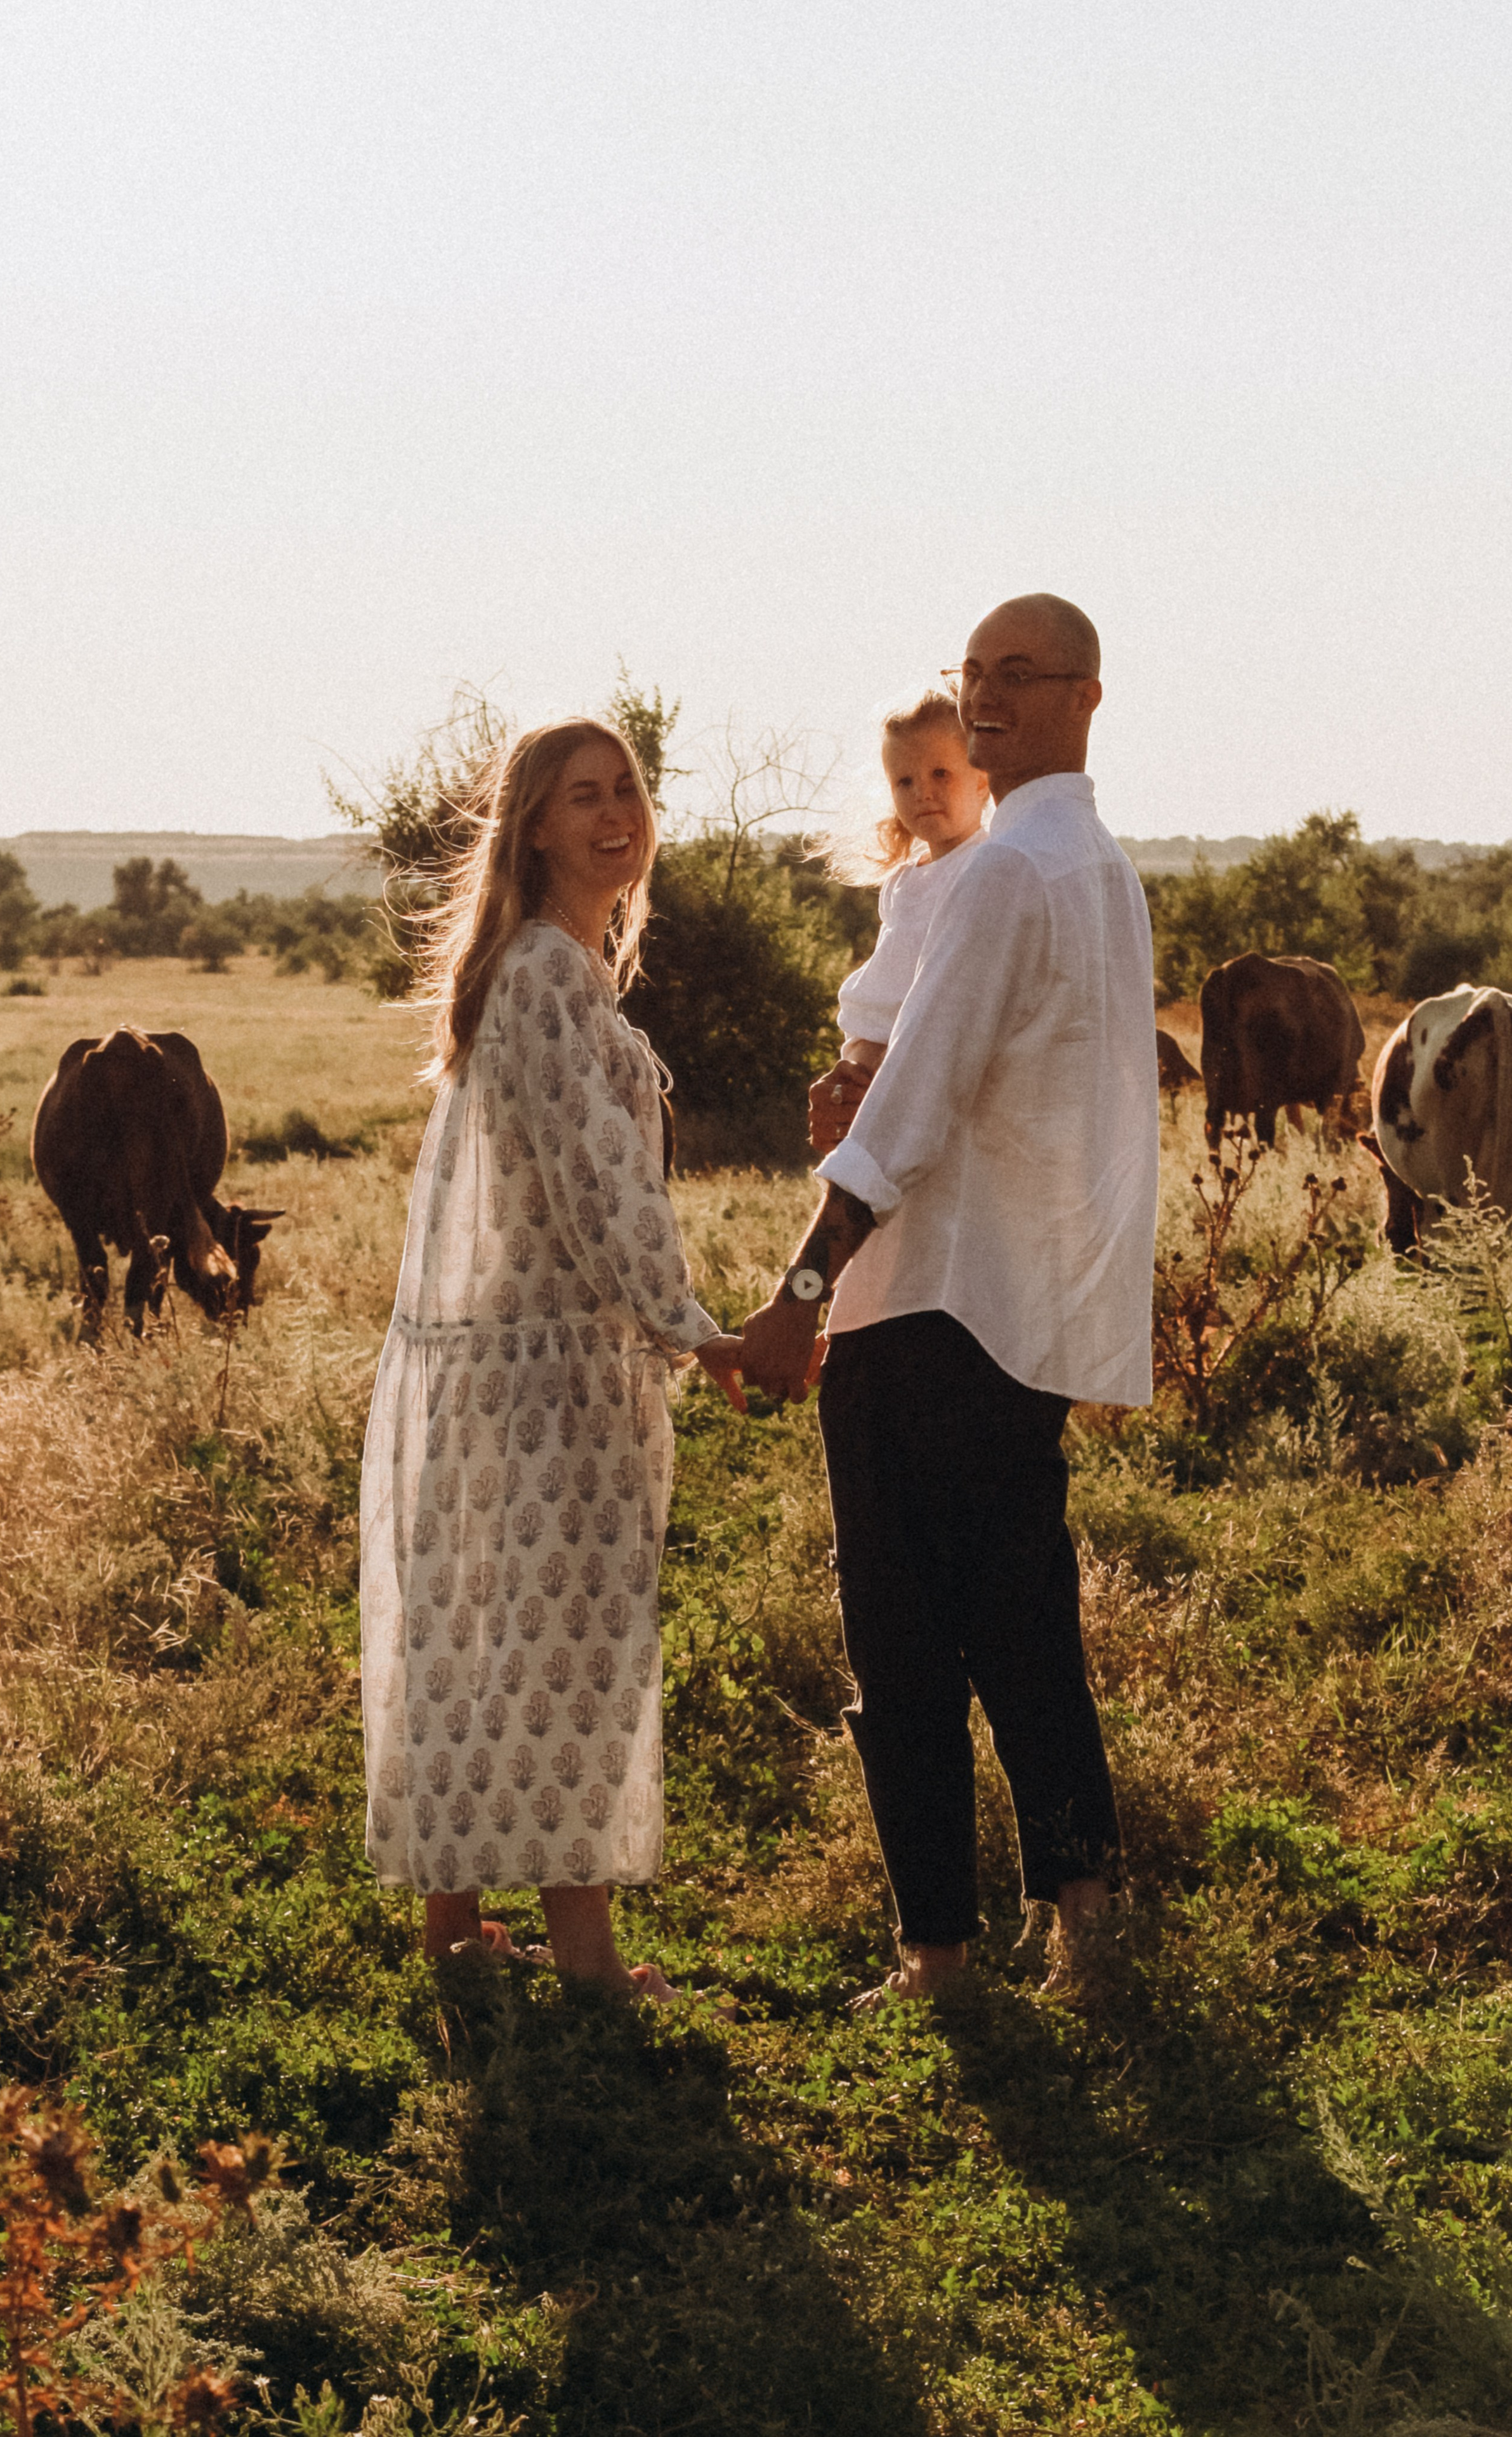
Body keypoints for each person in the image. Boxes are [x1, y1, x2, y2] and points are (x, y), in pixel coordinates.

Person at [740, 594, 1158, 2004]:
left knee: (904, 1633)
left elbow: (906, 1114)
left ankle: (938, 1952)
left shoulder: (1000, 878)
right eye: (968, 673)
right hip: (1025, 1309)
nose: (982, 698)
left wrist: (802, 1293)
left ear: (1083, 696)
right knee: (1023, 1613)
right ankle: (1084, 1913)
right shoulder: (1100, 870)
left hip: (924, 1302)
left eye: (1015, 676)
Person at [358, 718, 746, 1998]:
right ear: (532, 826)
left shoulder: (561, 971)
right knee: (562, 1653)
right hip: (544, 1379)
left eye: (625, 791)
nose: (613, 814)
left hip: (526, 1370)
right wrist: (694, 1327)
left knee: (483, 1642)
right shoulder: (539, 974)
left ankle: (457, 1938)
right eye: (582, 798)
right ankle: (582, 1963)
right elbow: (596, 1186)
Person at [812, 691, 989, 1156]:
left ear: (982, 781)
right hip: (874, 1073)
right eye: (903, 781)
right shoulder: (903, 883)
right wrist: (858, 1065)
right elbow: (880, 992)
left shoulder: (988, 869)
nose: (922, 792)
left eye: (940, 774)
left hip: (931, 1080)